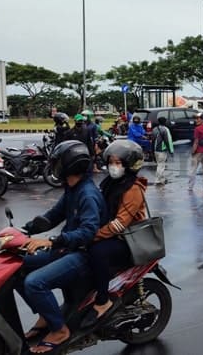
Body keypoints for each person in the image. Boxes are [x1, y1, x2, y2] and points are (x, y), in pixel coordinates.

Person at [18, 140, 107, 353]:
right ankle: (45, 315)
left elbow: (88, 232)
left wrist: (52, 241)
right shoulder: (72, 188)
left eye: (57, 162)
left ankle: (59, 330)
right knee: (17, 266)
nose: (54, 166)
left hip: (82, 255)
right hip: (67, 249)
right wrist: (24, 231)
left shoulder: (87, 194)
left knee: (34, 282)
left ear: (70, 164)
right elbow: (53, 215)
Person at [80, 140, 148, 328]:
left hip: (128, 240)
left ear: (129, 165)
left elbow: (120, 224)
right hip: (112, 234)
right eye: (111, 162)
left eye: (118, 163)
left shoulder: (133, 188)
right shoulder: (109, 183)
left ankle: (103, 301)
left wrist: (94, 236)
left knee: (97, 251)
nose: (113, 166)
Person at [151, 117, 174, 185]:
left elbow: (152, 140)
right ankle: (158, 180)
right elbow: (168, 141)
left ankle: (161, 178)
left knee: (159, 164)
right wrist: (171, 151)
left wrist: (152, 151)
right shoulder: (165, 129)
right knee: (161, 165)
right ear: (165, 122)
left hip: (155, 150)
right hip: (162, 150)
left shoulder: (154, 129)